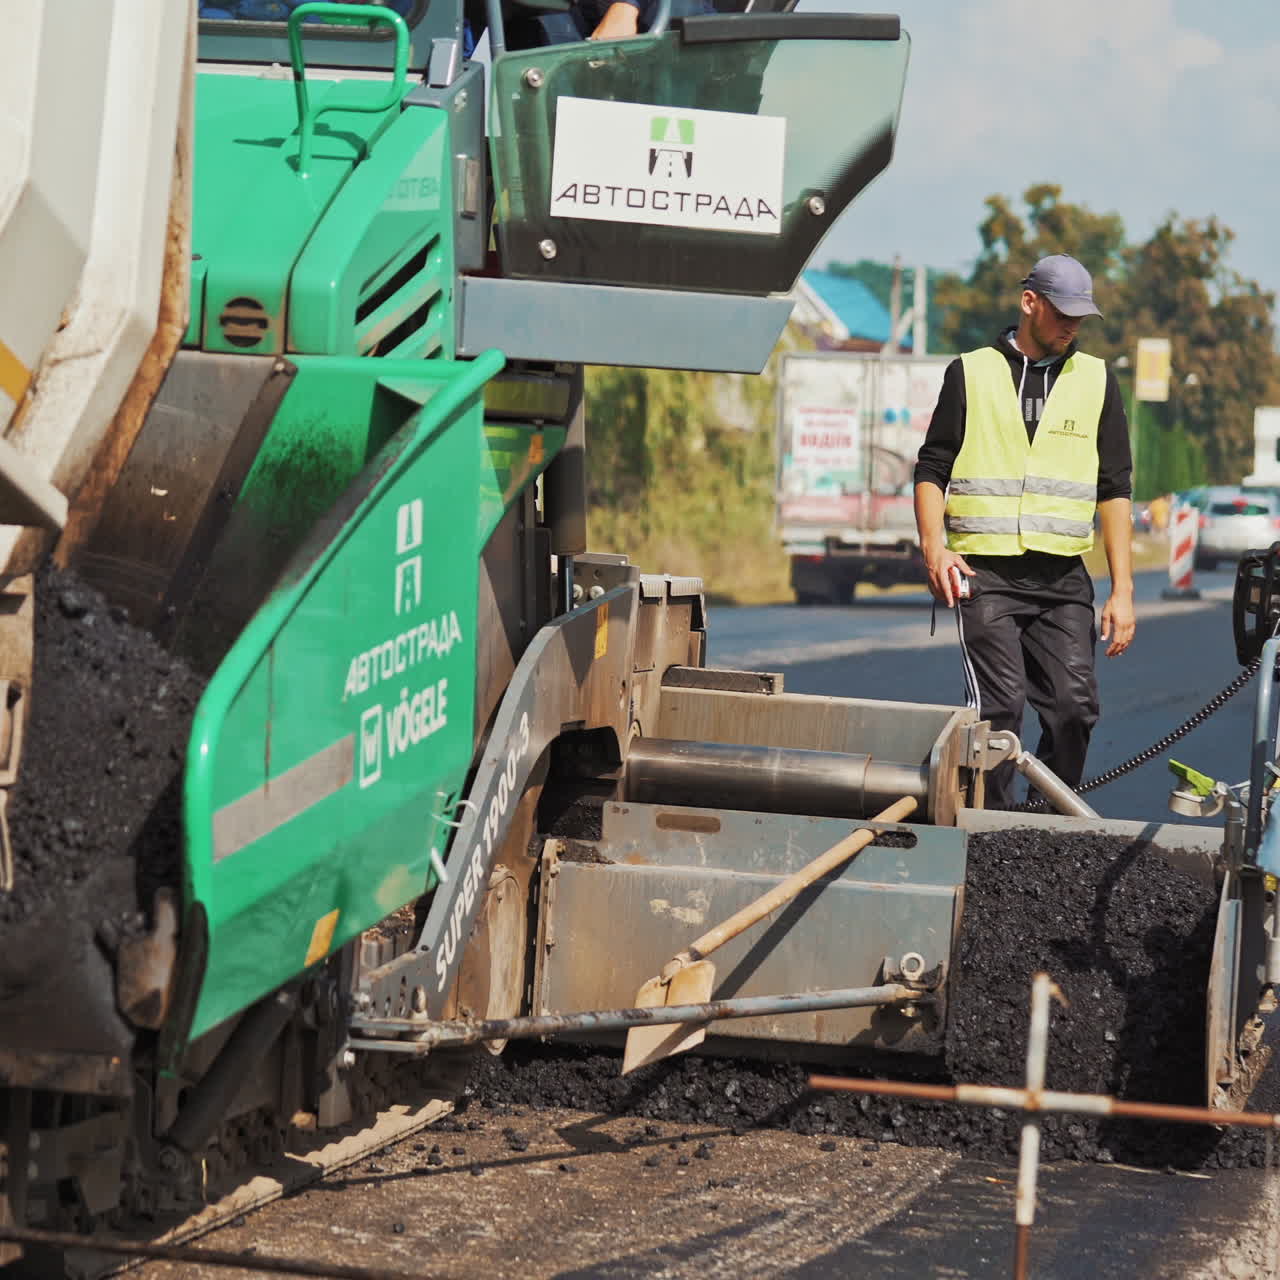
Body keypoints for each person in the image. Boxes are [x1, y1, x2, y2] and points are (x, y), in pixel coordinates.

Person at [912, 253, 1136, 809]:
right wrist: (934, 548)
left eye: (1081, 317)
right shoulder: (971, 372)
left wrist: (1123, 591)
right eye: (1062, 313)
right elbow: (931, 468)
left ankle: (1043, 823)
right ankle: (993, 831)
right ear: (1029, 302)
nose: (1072, 326)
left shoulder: (1097, 380)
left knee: (1073, 709)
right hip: (984, 574)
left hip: (1062, 576)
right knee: (1000, 710)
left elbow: (1115, 488)